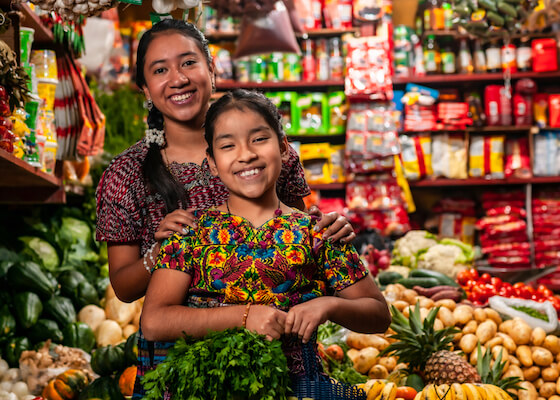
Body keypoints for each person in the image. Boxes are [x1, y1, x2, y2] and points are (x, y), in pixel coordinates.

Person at [95, 19, 356, 398]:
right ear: (146, 89)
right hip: (181, 360)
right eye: (160, 70)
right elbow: (123, 288)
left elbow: (297, 238)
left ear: (211, 68)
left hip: (274, 356)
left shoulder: (263, 155)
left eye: (188, 63)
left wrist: (331, 232)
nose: (178, 78)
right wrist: (157, 253)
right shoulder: (127, 173)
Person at [141, 89, 391, 399]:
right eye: (228, 145)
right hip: (205, 390)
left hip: (295, 391)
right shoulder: (191, 233)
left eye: (259, 139)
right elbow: (154, 321)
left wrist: (330, 305)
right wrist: (245, 317)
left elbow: (379, 315)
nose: (246, 154)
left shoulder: (317, 232)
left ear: (284, 148)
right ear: (213, 162)